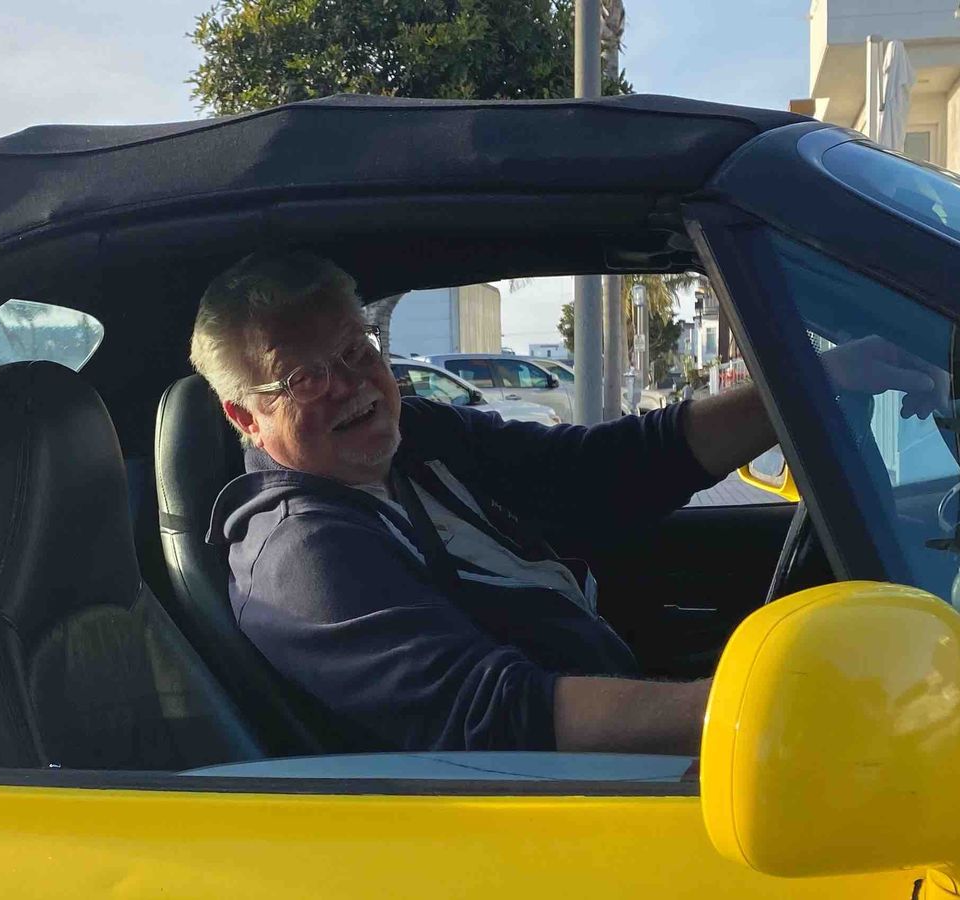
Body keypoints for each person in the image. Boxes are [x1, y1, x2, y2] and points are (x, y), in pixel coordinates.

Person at [191, 250, 943, 754]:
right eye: (305, 378)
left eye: (357, 351)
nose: (352, 385)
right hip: (545, 797)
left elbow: (597, 470)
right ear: (244, 417)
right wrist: (775, 714)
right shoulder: (299, 556)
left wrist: (815, 384)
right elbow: (501, 715)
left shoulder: (416, 440)